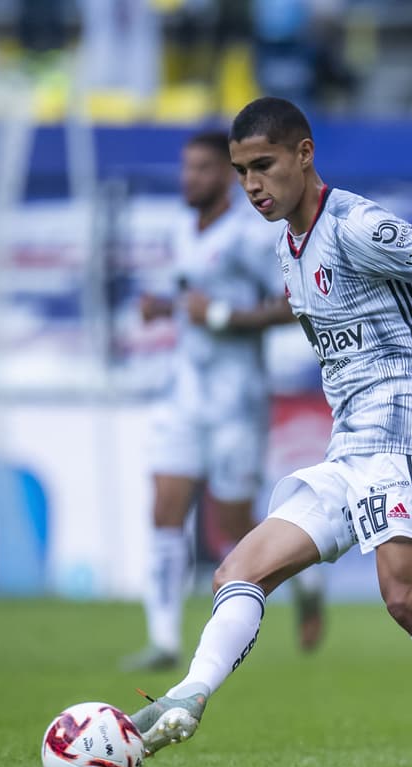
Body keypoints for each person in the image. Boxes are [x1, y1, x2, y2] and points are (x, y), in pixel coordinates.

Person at [129, 97, 412, 767]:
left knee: (407, 597)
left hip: (409, 434)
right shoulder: (288, 248)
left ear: (304, 154)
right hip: (349, 447)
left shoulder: (360, 226)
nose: (253, 184)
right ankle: (189, 694)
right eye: (242, 172)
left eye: (264, 165)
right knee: (238, 568)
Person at [122, 130, 326, 673]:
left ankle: (305, 582)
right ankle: (164, 640)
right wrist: (167, 308)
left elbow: (293, 303)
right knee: (165, 511)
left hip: (237, 400)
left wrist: (220, 317)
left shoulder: (248, 237)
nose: (191, 179)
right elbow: (195, 298)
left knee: (232, 527)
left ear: (228, 177)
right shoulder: (181, 228)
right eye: (187, 169)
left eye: (203, 170)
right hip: (183, 394)